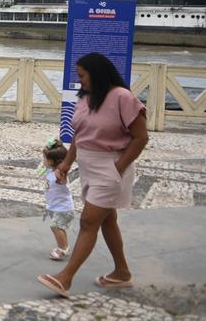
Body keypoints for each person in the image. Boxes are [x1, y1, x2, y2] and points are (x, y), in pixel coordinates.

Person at [38, 52, 148, 297]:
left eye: (82, 75)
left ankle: (65, 278)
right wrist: (66, 164)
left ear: (97, 73)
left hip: (111, 166)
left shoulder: (122, 97)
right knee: (107, 220)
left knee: (88, 221)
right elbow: (80, 135)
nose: (80, 81)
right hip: (89, 167)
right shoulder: (86, 98)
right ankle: (121, 273)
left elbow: (141, 138)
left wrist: (117, 169)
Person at [40, 138, 74, 261]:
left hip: (64, 208)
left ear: (52, 161)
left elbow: (63, 172)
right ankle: (64, 246)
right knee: (59, 227)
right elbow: (40, 173)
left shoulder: (60, 174)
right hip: (55, 206)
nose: (42, 161)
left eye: (44, 159)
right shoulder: (50, 171)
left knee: (55, 226)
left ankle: (62, 249)